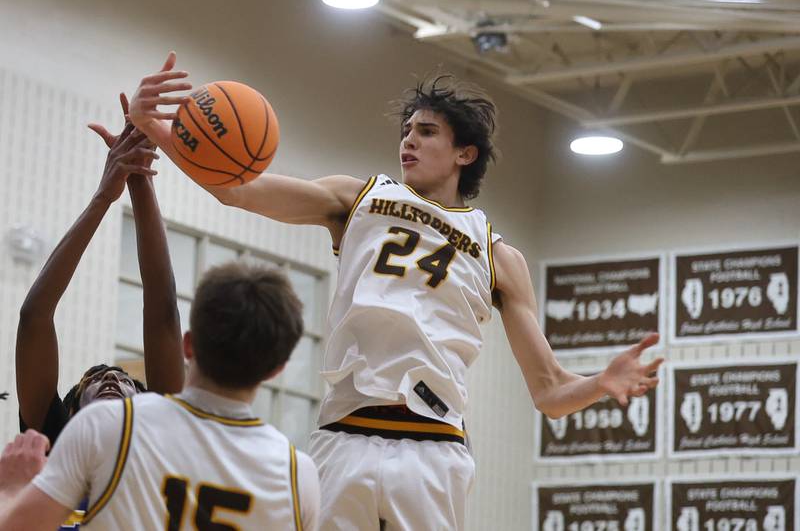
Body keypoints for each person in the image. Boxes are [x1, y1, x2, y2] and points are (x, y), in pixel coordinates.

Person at [129, 51, 664, 531]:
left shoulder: (499, 254)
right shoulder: (358, 196)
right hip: (344, 435)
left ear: (465, 154)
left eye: (427, 131)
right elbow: (238, 190)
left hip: (433, 448)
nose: (409, 139)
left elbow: (549, 391)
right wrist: (154, 127)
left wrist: (601, 381)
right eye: (407, 130)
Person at [0, 261, 320, 530]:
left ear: (188, 345)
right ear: (277, 370)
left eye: (124, 380)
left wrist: (11, 489)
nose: (111, 380)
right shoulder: (299, 475)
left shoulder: (114, 429)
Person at [14, 94, 185, 530]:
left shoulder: (157, 442)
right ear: (67, 418)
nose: (112, 377)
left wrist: (141, 182)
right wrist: (104, 195)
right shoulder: (51, 449)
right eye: (93, 380)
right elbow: (35, 316)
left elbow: (162, 309)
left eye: (126, 380)